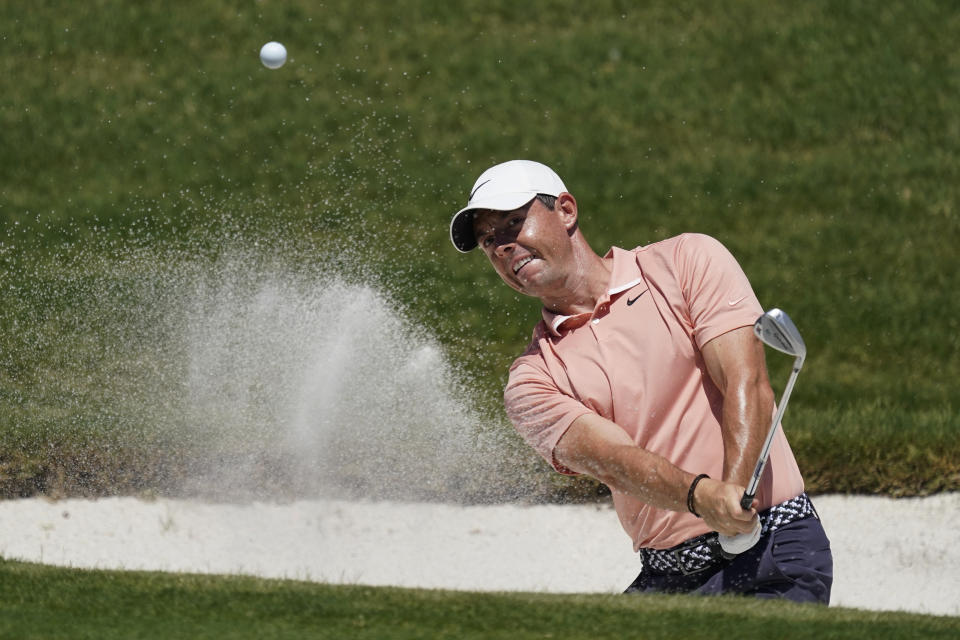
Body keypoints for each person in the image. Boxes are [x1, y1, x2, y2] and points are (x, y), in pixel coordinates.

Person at [449, 159, 833, 603]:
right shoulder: (532, 381)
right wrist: (705, 498)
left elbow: (745, 381)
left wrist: (734, 494)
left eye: (514, 223)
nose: (501, 247)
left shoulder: (687, 261)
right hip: (668, 574)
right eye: (488, 240)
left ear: (567, 211)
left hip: (775, 548)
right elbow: (614, 459)